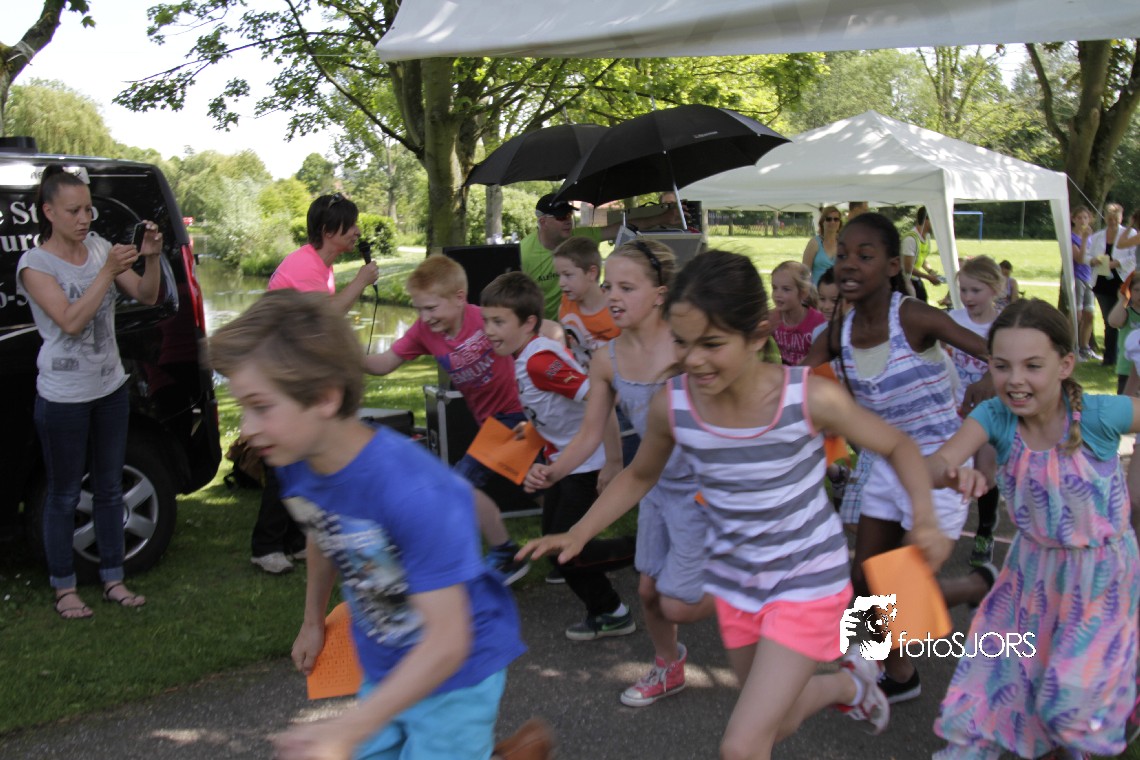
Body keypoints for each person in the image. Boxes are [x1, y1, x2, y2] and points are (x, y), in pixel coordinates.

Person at [520, 250, 954, 759]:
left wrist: (926, 518)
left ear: (756, 335)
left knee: (743, 744)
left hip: (806, 581)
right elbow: (640, 475)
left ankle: (850, 677)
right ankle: (848, 685)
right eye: (682, 342)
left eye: (712, 344)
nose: (694, 360)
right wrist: (578, 532)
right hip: (737, 584)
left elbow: (897, 445)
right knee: (776, 720)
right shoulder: (673, 405)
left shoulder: (806, 397)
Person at [209, 290, 549, 760]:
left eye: (261, 406)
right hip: (387, 666)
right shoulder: (297, 464)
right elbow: (325, 535)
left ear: (324, 397)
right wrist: (312, 622)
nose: (246, 428)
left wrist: (350, 727)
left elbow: (448, 641)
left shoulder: (414, 492)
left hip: (457, 675)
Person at [928, 299, 1140, 760]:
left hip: (1102, 580)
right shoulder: (995, 417)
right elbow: (936, 463)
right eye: (1002, 366)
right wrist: (952, 472)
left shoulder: (1099, 416)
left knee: (1071, 702)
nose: (1015, 379)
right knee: (1003, 682)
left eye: (1032, 366)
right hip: (1032, 577)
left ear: (1065, 365)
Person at [801, 212, 994, 704]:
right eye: (843, 254)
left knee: (901, 585)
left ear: (892, 266)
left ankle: (975, 585)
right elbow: (791, 388)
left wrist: (990, 380)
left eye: (865, 256)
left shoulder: (912, 317)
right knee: (864, 577)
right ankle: (892, 676)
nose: (849, 264)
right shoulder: (837, 334)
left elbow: (997, 352)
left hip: (942, 466)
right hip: (886, 467)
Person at [525, 239, 711, 708]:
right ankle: (669, 665)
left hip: (708, 490)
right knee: (649, 591)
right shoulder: (607, 359)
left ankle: (768, 601)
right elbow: (590, 435)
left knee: (678, 600)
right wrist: (554, 471)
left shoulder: (690, 350)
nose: (612, 296)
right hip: (656, 487)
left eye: (627, 287)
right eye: (609, 286)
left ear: (660, 294)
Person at [16, 166, 162, 618]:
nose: (84, 219)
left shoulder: (98, 247)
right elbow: (70, 321)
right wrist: (106, 272)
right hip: (63, 397)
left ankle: (113, 579)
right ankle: (65, 588)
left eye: (88, 209)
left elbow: (146, 295)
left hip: (109, 389)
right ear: (48, 212)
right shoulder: (35, 265)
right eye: (73, 211)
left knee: (109, 488)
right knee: (63, 495)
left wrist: (151, 258)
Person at [481, 272, 635, 641]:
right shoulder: (525, 356)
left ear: (528, 323)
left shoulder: (539, 362)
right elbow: (549, 416)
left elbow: (601, 397)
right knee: (554, 547)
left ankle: (648, 551)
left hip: (587, 464)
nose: (489, 331)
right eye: (486, 321)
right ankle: (608, 610)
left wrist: (613, 462)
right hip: (566, 464)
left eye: (499, 322)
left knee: (569, 551)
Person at [363, 255, 532, 584]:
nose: (425, 317)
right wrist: (345, 356)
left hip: (517, 412)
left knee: (460, 484)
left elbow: (532, 333)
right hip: (490, 422)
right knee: (540, 484)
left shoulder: (485, 318)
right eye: (419, 309)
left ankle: (505, 553)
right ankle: (571, 544)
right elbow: (384, 363)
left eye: (431, 308)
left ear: (459, 297)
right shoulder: (425, 331)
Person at [250, 193, 380, 575]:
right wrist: (361, 281)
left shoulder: (320, 266)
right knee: (287, 458)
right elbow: (327, 315)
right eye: (350, 225)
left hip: (296, 370)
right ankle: (266, 546)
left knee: (304, 454)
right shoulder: (305, 265)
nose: (357, 231)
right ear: (327, 230)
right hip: (281, 373)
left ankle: (293, 541)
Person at [520, 193, 673, 320]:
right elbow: (520, 300)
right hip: (544, 328)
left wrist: (663, 218)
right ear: (543, 222)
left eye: (569, 214)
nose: (568, 221)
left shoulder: (580, 237)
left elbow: (618, 228)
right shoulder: (523, 252)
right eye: (561, 217)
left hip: (582, 321)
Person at [942, 256, 1004, 567]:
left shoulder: (1002, 326)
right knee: (950, 469)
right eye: (963, 290)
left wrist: (988, 379)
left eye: (975, 290)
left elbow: (1008, 365)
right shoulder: (951, 320)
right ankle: (943, 529)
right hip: (955, 410)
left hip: (992, 412)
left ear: (994, 289)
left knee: (986, 475)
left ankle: (985, 531)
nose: (967, 297)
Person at [553, 236, 619, 371]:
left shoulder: (616, 311)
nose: (561, 283)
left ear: (591, 273)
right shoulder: (565, 303)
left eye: (568, 275)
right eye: (559, 275)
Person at [1088, 202, 1137, 367]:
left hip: (1122, 282)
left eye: (1116, 219)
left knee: (1124, 318)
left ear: (1121, 218)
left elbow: (1134, 256)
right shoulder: (1098, 236)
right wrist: (1093, 260)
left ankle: (1126, 354)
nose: (1113, 222)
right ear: (1105, 218)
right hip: (1102, 282)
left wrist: (1117, 263)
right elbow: (1088, 255)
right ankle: (1109, 357)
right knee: (1109, 320)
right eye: (1109, 219)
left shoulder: (1130, 234)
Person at [770, 261, 826, 366]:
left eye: (786, 289)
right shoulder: (772, 319)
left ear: (803, 293)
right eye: (774, 288)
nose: (777, 294)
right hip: (781, 373)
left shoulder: (819, 323)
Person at [1069, 206, 1099, 360]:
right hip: (1077, 277)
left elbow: (1092, 257)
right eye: (1079, 217)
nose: (1082, 221)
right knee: (1077, 315)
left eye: (1085, 218)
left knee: (1089, 315)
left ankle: (1085, 347)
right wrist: (1085, 239)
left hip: (1089, 278)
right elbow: (1080, 259)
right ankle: (1071, 348)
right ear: (1073, 219)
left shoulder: (1092, 238)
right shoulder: (1071, 237)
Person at [1107, 272, 1140, 395]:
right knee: (1126, 403)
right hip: (1127, 369)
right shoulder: (1127, 313)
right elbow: (1113, 322)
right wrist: (1122, 299)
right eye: (1136, 290)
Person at [901, 206, 942, 302]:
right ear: (926, 220)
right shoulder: (910, 239)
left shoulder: (926, 237)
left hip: (914, 279)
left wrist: (930, 271)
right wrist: (929, 277)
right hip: (905, 282)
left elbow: (921, 258)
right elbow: (908, 268)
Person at [801, 205, 842, 285]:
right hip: (816, 290)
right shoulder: (814, 243)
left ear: (840, 223)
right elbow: (804, 272)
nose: (832, 222)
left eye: (836, 219)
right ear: (822, 222)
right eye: (828, 219)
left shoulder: (844, 244)